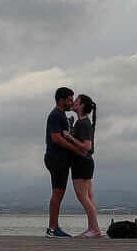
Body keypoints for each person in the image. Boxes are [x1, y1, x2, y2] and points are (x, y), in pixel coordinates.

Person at [44, 86, 86, 238]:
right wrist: (76, 150)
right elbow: (56, 138)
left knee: (58, 193)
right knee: (57, 193)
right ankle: (53, 228)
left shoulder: (62, 116)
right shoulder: (56, 115)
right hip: (56, 159)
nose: (71, 102)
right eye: (69, 99)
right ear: (61, 100)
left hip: (60, 159)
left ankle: (54, 226)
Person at [65, 94, 100, 238]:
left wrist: (69, 137)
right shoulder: (82, 123)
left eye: (77, 101)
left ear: (82, 106)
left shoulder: (83, 123)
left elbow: (86, 146)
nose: (73, 102)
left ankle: (95, 229)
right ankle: (92, 228)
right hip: (85, 163)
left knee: (83, 197)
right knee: (89, 197)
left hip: (82, 163)